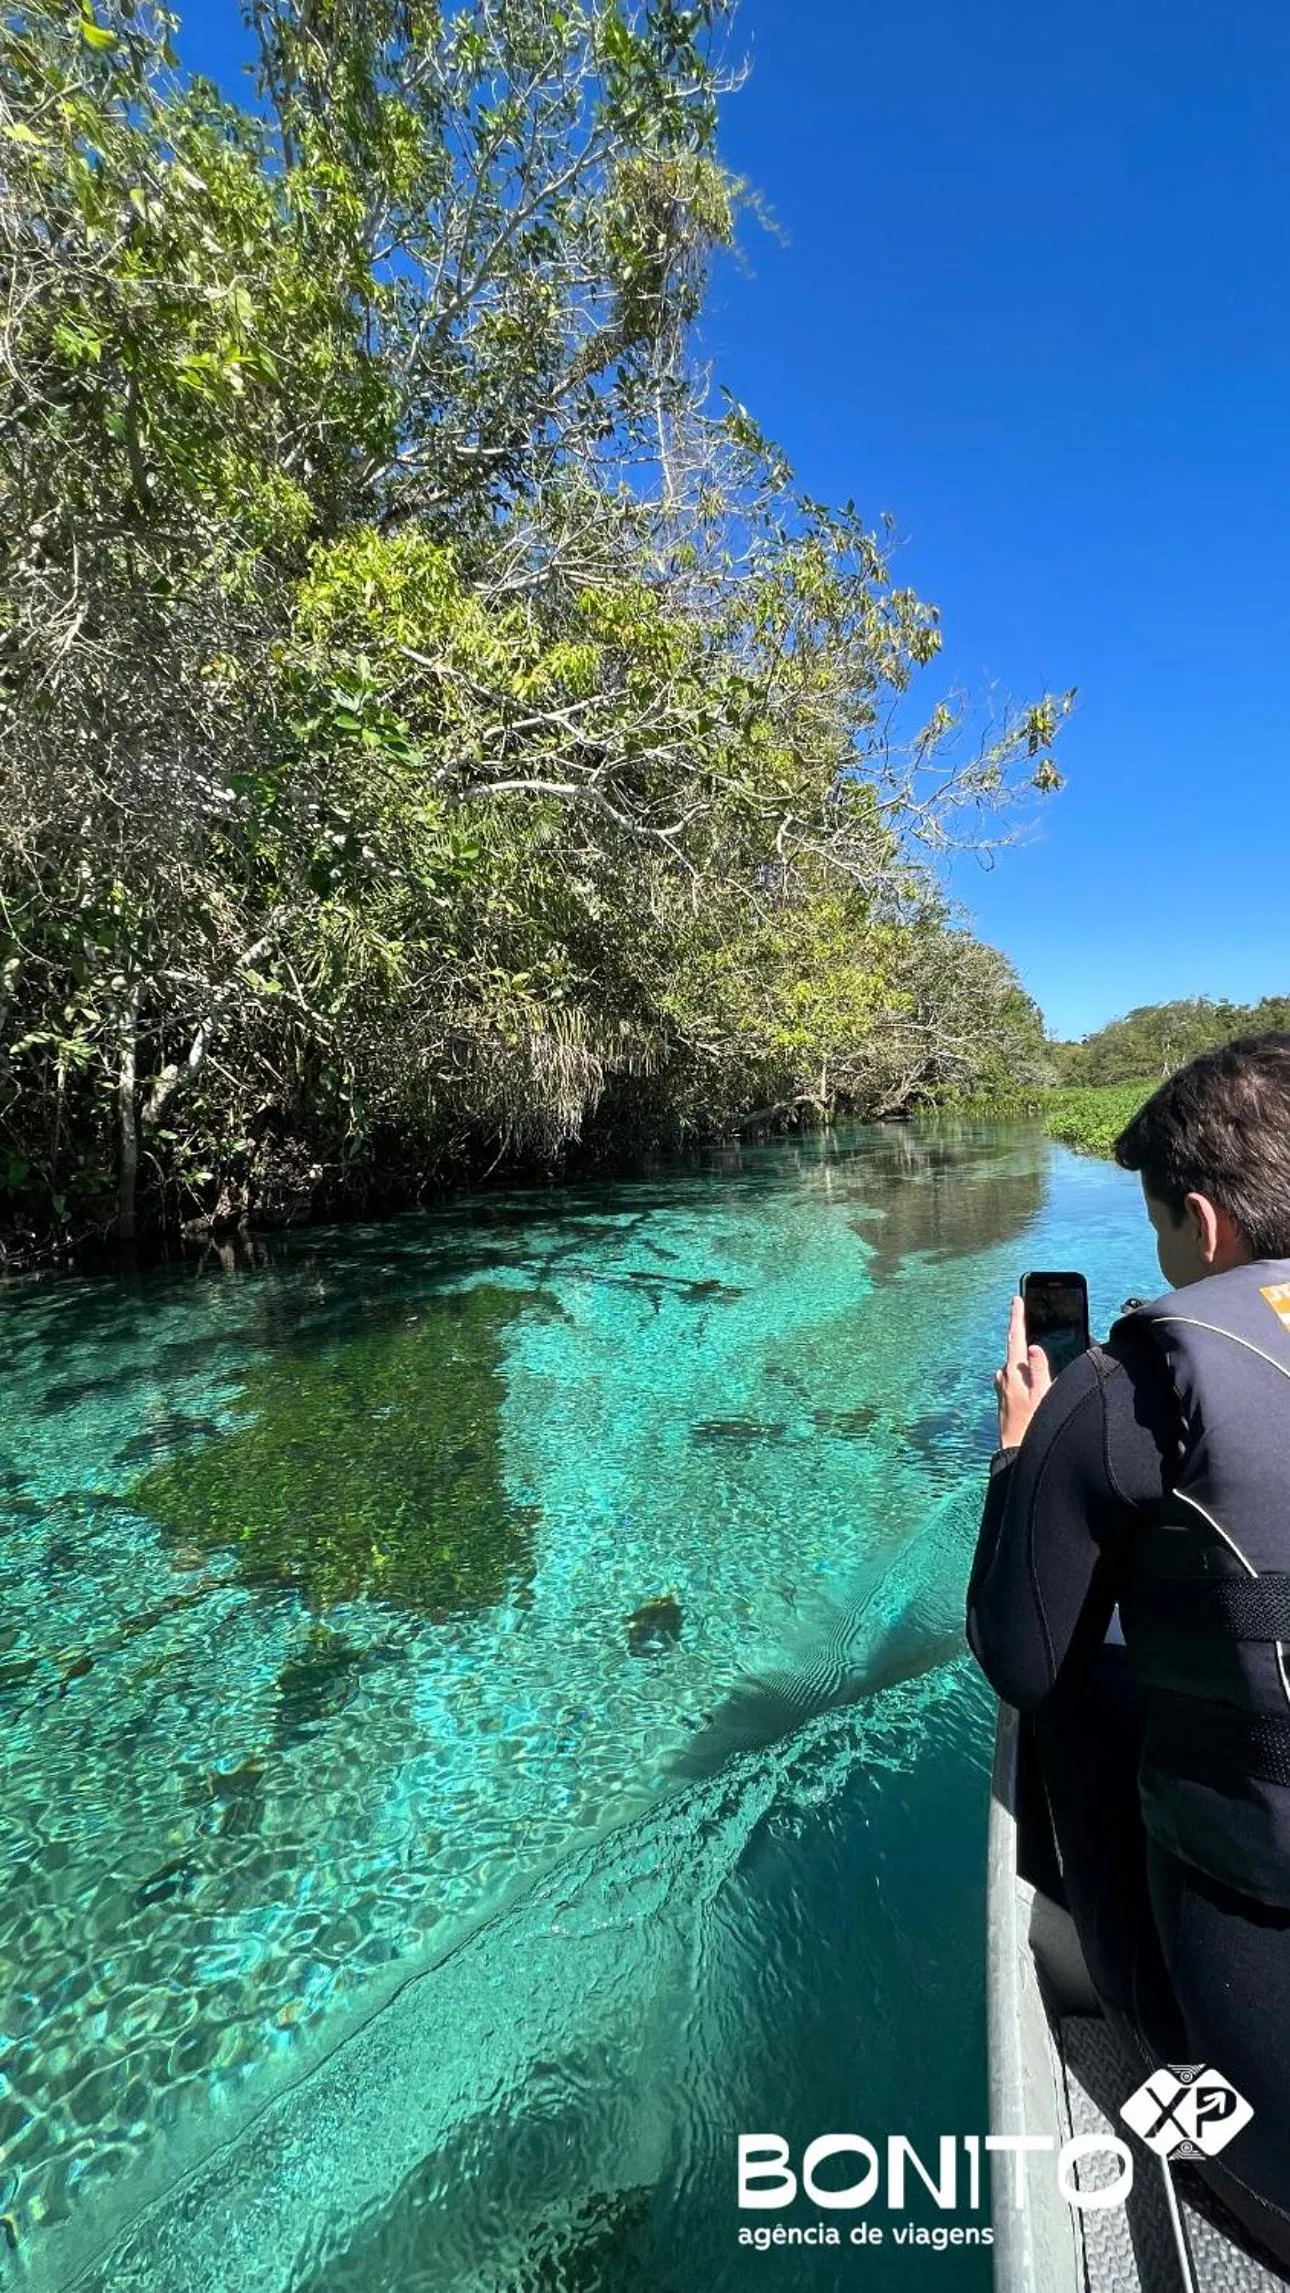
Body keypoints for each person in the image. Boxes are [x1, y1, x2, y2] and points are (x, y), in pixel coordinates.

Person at [966, 1032, 1290, 2234]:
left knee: (1079, 1696)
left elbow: (1016, 1650)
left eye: (1158, 1230)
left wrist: (1022, 1452)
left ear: (1201, 1224)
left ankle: (1129, 2037)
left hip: (1275, 2164)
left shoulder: (1129, 1386)